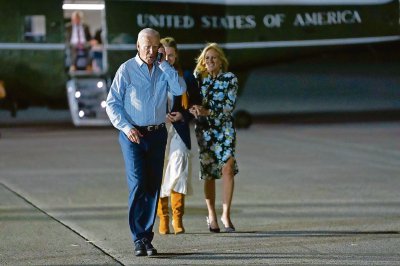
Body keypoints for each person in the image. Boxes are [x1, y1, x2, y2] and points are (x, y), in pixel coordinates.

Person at [105, 28, 186, 256]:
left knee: (152, 187)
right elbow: (112, 103)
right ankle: (138, 238)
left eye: (155, 46)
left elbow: (179, 89)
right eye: (146, 46)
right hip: (133, 135)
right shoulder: (127, 70)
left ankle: (146, 239)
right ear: (138, 47)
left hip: (157, 133)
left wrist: (164, 65)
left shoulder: (163, 69)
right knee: (138, 183)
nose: (151, 51)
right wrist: (126, 127)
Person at [189, 43, 239, 233]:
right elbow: (189, 99)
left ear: (221, 61)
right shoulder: (198, 79)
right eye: (206, 58)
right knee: (209, 173)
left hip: (224, 128)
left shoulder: (230, 79)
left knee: (228, 167)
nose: (210, 61)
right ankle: (211, 214)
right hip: (205, 130)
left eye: (213, 58)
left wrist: (207, 111)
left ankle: (226, 214)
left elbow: (229, 106)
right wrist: (192, 109)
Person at [157, 37, 192, 235]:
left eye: (171, 55)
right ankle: (163, 218)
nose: (168, 58)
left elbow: (194, 104)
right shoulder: (154, 75)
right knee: (160, 175)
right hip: (160, 129)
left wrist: (182, 114)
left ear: (176, 55)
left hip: (179, 130)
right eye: (164, 55)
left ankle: (178, 218)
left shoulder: (184, 76)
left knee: (179, 171)